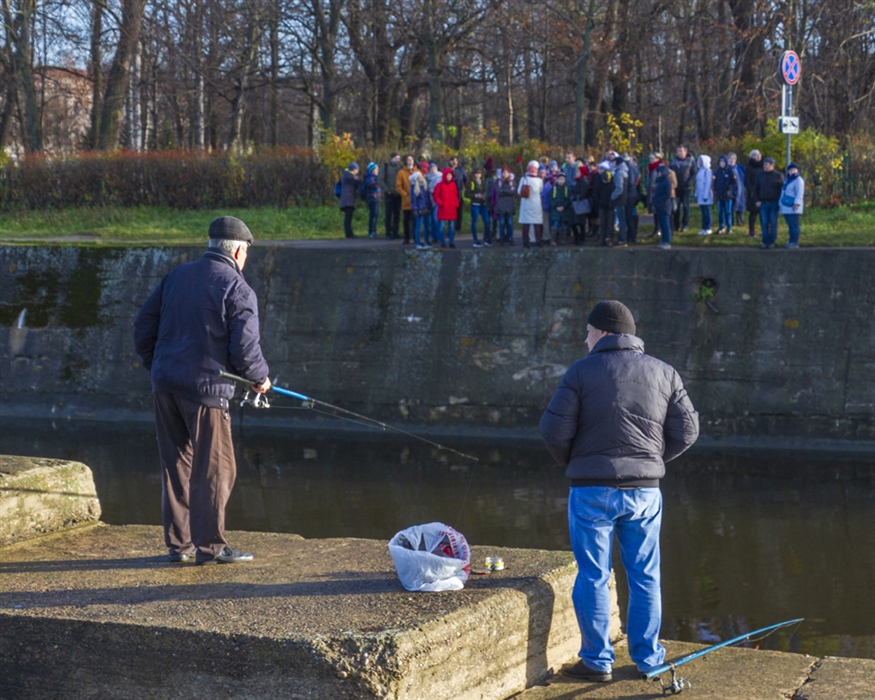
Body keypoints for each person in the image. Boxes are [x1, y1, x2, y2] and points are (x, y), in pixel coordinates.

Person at [539, 300, 699, 683]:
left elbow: (552, 430)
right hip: (645, 492)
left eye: (589, 331)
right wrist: (652, 460)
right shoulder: (664, 372)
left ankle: (597, 662)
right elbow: (688, 432)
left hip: (591, 490)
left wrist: (577, 463)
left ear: (605, 332)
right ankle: (649, 659)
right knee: (645, 574)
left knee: (593, 574)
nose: (585, 337)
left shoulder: (581, 372)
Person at [133, 216, 271, 565]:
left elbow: (142, 327)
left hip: (165, 385)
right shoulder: (238, 288)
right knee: (217, 469)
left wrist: (159, 365)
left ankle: (179, 546)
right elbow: (245, 350)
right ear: (239, 250)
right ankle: (211, 547)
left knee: (176, 466)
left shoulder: (176, 276)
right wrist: (260, 378)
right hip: (207, 391)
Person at [754, 156, 784, 249]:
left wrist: (780, 201)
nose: (764, 166)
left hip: (774, 202)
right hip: (763, 202)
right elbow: (756, 189)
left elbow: (782, 190)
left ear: (772, 165)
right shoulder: (760, 175)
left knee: (773, 222)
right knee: (764, 222)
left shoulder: (778, 176)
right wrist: (757, 200)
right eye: (764, 164)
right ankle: (765, 241)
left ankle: (772, 241)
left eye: (766, 164)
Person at [518, 160, 545, 247]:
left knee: (526, 223)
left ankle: (525, 241)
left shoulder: (524, 179)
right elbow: (541, 190)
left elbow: (519, 191)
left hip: (526, 203)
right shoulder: (539, 180)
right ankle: (538, 240)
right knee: (537, 223)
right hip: (536, 204)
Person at [670, 145, 697, 232]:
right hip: (676, 188)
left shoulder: (690, 160)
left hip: (686, 188)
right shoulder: (674, 161)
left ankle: (685, 225)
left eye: (681, 151)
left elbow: (694, 173)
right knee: (675, 208)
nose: (679, 153)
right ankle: (676, 225)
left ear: (686, 152)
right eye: (678, 151)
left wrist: (689, 182)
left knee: (686, 207)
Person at [780, 163, 805, 249]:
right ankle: (791, 241)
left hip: (794, 207)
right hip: (786, 206)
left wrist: (797, 203)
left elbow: (799, 193)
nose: (792, 172)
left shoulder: (798, 180)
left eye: (794, 170)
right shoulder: (787, 180)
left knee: (794, 225)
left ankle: (795, 242)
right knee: (790, 225)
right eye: (790, 170)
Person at [433, 167, 459, 248]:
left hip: (452, 208)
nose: (449, 177)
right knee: (442, 226)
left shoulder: (453, 185)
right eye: (447, 175)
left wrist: (456, 203)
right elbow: (435, 196)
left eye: (450, 175)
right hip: (443, 208)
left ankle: (451, 242)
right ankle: (442, 242)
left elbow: (455, 195)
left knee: (451, 226)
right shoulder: (439, 185)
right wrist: (441, 204)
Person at [464, 167, 490, 248]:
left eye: (479, 173)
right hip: (475, 204)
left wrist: (484, 196)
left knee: (487, 221)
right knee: (474, 222)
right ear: (473, 174)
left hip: (483, 204)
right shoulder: (470, 183)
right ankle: (475, 240)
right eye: (476, 173)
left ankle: (486, 238)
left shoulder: (483, 183)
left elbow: (486, 191)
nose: (478, 175)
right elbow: (466, 194)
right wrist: (476, 195)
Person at [713, 156, 738, 234]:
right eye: (720, 162)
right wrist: (715, 188)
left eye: (723, 162)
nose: (722, 164)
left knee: (728, 212)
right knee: (720, 212)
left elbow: (734, 183)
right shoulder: (717, 171)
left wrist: (729, 187)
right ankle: (721, 227)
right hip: (719, 195)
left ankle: (729, 227)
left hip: (727, 196)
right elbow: (714, 181)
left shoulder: (730, 171)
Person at [380, 152, 402, 240]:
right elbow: (380, 179)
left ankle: (395, 232)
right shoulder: (385, 167)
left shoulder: (400, 167)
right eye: (396, 158)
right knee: (388, 214)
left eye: (398, 158)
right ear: (392, 158)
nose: (397, 160)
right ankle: (388, 233)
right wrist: (386, 190)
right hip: (389, 194)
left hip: (398, 193)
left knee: (397, 214)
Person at [592, 161, 614, 246]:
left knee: (609, 223)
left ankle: (609, 238)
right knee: (602, 222)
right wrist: (599, 202)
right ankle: (602, 238)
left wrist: (611, 202)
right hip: (601, 205)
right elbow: (595, 193)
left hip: (610, 205)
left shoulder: (612, 183)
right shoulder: (599, 181)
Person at [651, 164, 673, 250]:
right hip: (660, 206)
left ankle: (667, 241)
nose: (658, 174)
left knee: (665, 224)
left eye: (659, 172)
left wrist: (659, 199)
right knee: (662, 224)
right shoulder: (661, 181)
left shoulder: (667, 182)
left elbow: (667, 194)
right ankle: (664, 240)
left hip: (664, 206)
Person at [409, 170, 432, 250]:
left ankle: (426, 242)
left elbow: (428, 198)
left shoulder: (425, 186)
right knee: (418, 227)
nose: (422, 178)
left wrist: (430, 206)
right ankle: (418, 243)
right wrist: (415, 209)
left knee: (427, 226)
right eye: (419, 177)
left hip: (426, 208)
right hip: (419, 209)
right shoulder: (413, 188)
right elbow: (413, 200)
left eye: (422, 176)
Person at [610, 154, 629, 247]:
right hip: (623, 199)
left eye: (613, 161)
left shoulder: (619, 173)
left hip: (619, 199)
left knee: (621, 219)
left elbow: (619, 188)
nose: (612, 163)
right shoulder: (624, 171)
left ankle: (622, 239)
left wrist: (612, 196)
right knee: (622, 219)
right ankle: (623, 237)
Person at [744, 150, 763, 238]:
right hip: (753, 194)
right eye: (755, 155)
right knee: (753, 213)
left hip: (763, 194)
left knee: (763, 214)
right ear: (752, 157)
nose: (758, 156)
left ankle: (764, 231)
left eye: (759, 154)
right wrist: (752, 192)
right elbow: (747, 181)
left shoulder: (764, 166)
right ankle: (751, 231)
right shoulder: (749, 168)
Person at [339, 162, 361, 239]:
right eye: (357, 169)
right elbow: (354, 178)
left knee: (349, 217)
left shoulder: (347, 175)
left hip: (348, 200)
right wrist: (359, 179)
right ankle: (348, 234)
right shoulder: (348, 174)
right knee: (348, 217)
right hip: (347, 200)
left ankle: (349, 233)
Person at [495, 167, 516, 245]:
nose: (505, 174)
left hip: (510, 205)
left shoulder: (512, 181)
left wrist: (503, 190)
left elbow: (513, 192)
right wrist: (508, 191)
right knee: (502, 222)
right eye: (503, 172)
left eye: (506, 172)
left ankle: (510, 238)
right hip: (501, 205)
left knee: (510, 222)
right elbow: (498, 192)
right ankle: (501, 238)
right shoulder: (498, 181)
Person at [550, 172, 572, 244]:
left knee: (563, 225)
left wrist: (564, 206)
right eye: (560, 179)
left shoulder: (567, 189)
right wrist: (556, 206)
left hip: (564, 210)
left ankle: (562, 239)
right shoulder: (554, 188)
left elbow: (568, 199)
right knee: (555, 224)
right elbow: (551, 199)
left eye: (563, 179)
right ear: (557, 180)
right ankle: (553, 239)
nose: (561, 181)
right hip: (555, 210)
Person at [695, 154, 713, 236]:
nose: (700, 162)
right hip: (700, 195)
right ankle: (703, 228)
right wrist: (696, 194)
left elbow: (708, 184)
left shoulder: (708, 171)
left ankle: (708, 227)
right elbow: (698, 183)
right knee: (703, 212)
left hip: (706, 195)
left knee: (707, 212)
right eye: (700, 161)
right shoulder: (700, 170)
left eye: (702, 161)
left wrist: (705, 196)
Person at [449, 156, 468, 233]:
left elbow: (466, 179)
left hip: (459, 192)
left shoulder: (461, 170)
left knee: (459, 211)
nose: (454, 162)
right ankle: (451, 228)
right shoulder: (447, 169)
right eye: (452, 160)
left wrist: (464, 187)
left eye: (456, 160)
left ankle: (458, 227)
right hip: (450, 193)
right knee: (450, 211)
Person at [364, 162, 382, 239]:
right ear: (373, 169)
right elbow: (372, 185)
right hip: (372, 197)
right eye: (376, 169)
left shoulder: (374, 176)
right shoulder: (369, 176)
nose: (378, 170)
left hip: (377, 197)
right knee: (373, 215)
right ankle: (371, 231)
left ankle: (374, 230)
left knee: (377, 214)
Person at [727, 152, 745, 226]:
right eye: (730, 158)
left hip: (740, 190)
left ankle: (740, 222)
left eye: (734, 159)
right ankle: (731, 223)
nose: (732, 160)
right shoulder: (726, 168)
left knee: (740, 206)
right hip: (730, 190)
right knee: (730, 207)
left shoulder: (740, 168)